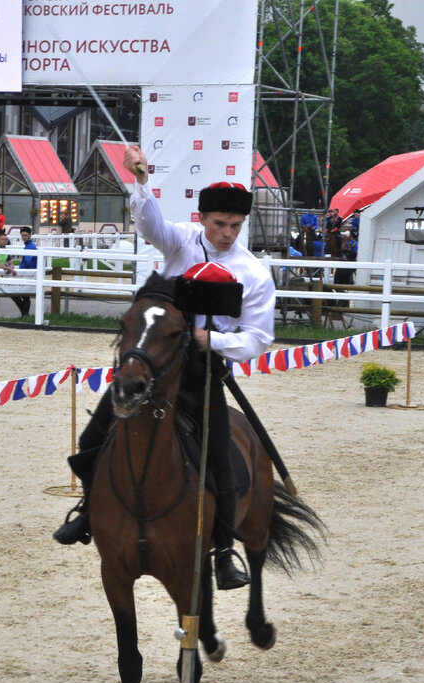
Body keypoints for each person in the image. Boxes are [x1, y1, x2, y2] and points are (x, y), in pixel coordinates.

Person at [53, 144, 276, 591]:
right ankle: (87, 514)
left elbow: (258, 338)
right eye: (219, 224)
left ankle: (225, 548)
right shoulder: (179, 239)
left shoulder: (254, 273)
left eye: (234, 226)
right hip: (152, 361)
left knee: (223, 458)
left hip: (203, 372)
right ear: (202, 219)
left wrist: (208, 339)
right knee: (93, 436)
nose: (227, 233)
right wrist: (140, 181)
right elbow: (149, 223)